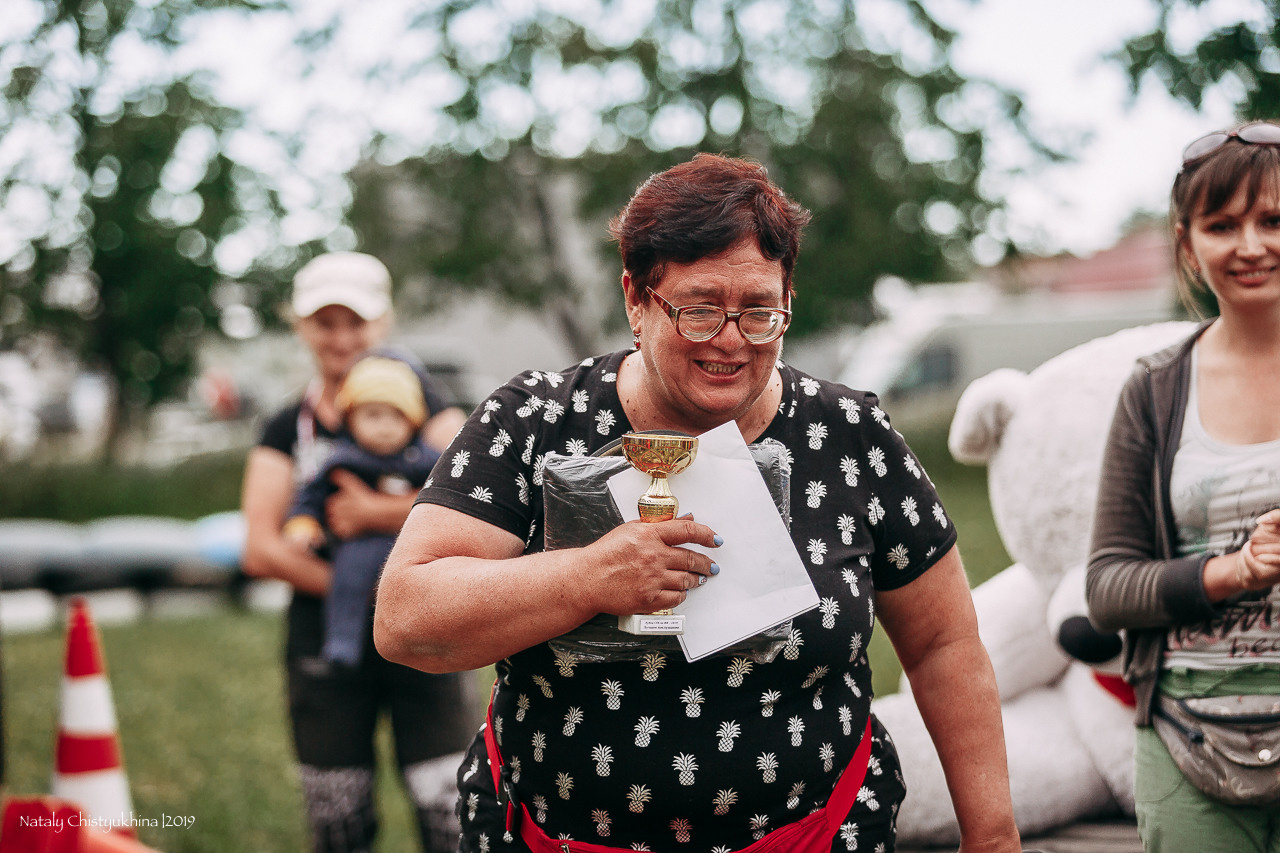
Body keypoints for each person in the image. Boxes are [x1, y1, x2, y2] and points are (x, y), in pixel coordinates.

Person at [374, 154, 1021, 853]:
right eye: (701, 309)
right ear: (636, 298)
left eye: (759, 312)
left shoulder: (849, 434)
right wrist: (586, 578)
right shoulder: (534, 420)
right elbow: (406, 617)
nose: (731, 340)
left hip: (816, 833)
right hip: (556, 837)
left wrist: (992, 835)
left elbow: (944, 644)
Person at [1086, 121, 1280, 852]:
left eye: (1273, 219)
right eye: (1223, 224)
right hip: (1187, 743)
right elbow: (1106, 587)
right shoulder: (1156, 389)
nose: (1251, 245)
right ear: (1188, 242)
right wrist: (1235, 571)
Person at [240, 251, 473, 853]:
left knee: (450, 810)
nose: (342, 338)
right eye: (325, 322)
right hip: (325, 643)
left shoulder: (432, 408)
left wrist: (378, 515)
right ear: (300, 325)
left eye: (356, 321)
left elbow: (478, 502)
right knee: (338, 818)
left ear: (384, 322)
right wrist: (357, 590)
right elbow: (261, 548)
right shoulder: (285, 428)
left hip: (428, 636)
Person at [284, 353, 442, 668]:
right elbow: (311, 496)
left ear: (413, 422)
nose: (385, 427)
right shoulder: (342, 459)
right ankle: (341, 648)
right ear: (350, 419)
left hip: (410, 546)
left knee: (428, 591)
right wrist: (303, 523)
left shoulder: (425, 459)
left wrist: (375, 510)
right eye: (372, 415)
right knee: (347, 582)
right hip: (358, 546)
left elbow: (448, 490)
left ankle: (427, 650)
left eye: (396, 417)